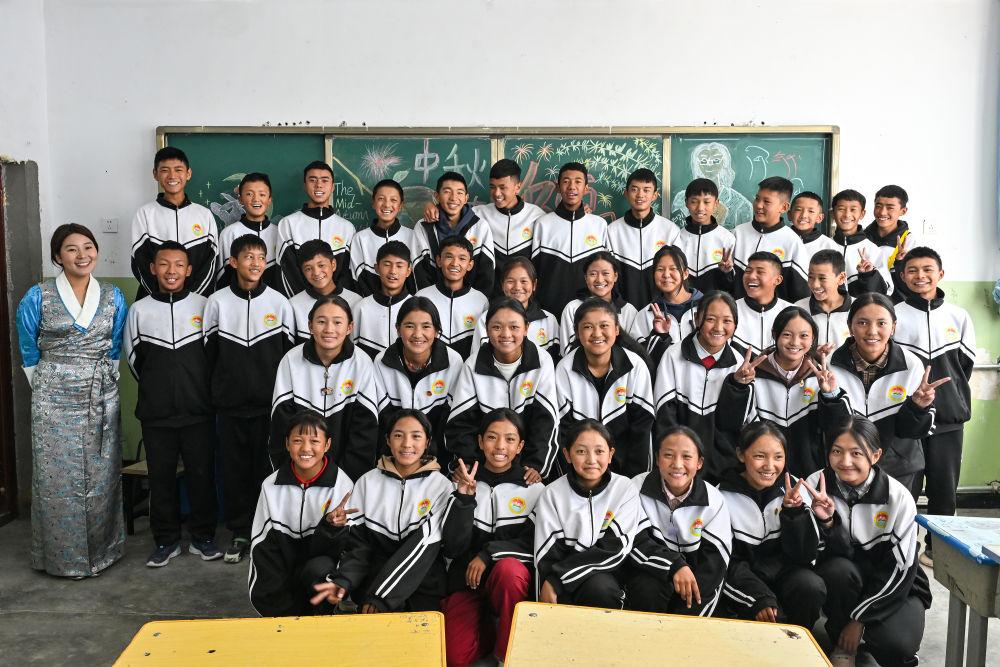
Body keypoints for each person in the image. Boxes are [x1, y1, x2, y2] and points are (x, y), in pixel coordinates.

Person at [16, 223, 128, 577]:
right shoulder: (37, 296)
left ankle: (103, 551)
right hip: (52, 396)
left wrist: (104, 382)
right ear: (57, 256)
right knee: (56, 478)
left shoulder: (112, 296)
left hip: (101, 391)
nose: (82, 255)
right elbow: (28, 348)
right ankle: (61, 558)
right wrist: (49, 387)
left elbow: (115, 346)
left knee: (101, 472)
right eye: (71, 249)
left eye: (88, 247)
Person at [805, 417, 931, 667]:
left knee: (896, 646)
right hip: (846, 578)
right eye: (837, 451)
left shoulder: (898, 497)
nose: (845, 461)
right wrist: (828, 522)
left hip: (895, 585)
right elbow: (810, 553)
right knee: (838, 570)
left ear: (875, 456)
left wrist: (859, 619)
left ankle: (863, 630)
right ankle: (842, 643)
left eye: (856, 453)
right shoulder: (815, 486)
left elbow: (901, 569)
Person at [124, 241, 218, 567]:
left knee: (201, 477)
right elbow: (134, 360)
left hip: (199, 411)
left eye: (179, 265)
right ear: (153, 269)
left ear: (189, 270)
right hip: (156, 414)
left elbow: (213, 357)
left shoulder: (205, 306)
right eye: (164, 264)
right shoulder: (139, 310)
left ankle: (203, 538)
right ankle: (166, 541)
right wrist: (159, 390)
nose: (171, 271)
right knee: (161, 480)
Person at [204, 234, 295, 563]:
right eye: (248, 257)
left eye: (260, 257)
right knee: (235, 472)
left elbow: (289, 356)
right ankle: (241, 532)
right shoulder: (216, 303)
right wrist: (219, 393)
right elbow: (209, 356)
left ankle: (271, 530)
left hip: (269, 408)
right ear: (233, 262)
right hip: (230, 407)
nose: (255, 263)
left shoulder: (279, 303)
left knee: (269, 470)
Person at [309, 410, 454, 613]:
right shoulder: (367, 482)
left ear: (427, 441)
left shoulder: (442, 487)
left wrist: (381, 598)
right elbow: (359, 548)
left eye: (416, 436)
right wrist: (344, 581)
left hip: (422, 586)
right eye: (398, 435)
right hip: (373, 584)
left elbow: (423, 550)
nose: (407, 444)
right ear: (387, 440)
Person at [441, 409, 543, 667]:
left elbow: (534, 544)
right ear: (479, 441)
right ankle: (489, 629)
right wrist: (464, 499)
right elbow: (452, 548)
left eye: (510, 439)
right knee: (455, 657)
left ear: (520, 446)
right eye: (492, 437)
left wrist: (488, 554)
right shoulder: (459, 483)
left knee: (509, 570)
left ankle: (504, 655)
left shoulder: (535, 489)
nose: (500, 446)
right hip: (467, 583)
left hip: (509, 586)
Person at [816, 293, 946, 496]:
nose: (872, 331)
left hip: (899, 468)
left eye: (881, 323)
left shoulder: (911, 365)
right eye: (862, 323)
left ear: (893, 327)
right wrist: (831, 396)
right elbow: (829, 426)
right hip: (845, 468)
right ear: (850, 326)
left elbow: (912, 432)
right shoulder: (831, 365)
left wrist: (918, 407)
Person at [895, 247, 976, 565]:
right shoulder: (894, 315)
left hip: (948, 420)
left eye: (927, 269)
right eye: (912, 270)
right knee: (905, 489)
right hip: (907, 419)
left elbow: (964, 367)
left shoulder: (959, 316)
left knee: (944, 489)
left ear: (940, 274)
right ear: (903, 276)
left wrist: (949, 398)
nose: (920, 276)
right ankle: (903, 548)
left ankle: (936, 551)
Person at [718, 423, 826, 629]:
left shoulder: (795, 488)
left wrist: (793, 512)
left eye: (778, 457)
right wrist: (758, 597)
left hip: (786, 576)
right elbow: (724, 563)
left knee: (810, 586)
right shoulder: (720, 496)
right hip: (744, 585)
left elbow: (805, 555)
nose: (769, 466)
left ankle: (799, 640)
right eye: (760, 456)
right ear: (741, 455)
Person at [247, 412, 354, 617]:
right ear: (287, 444)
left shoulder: (342, 486)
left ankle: (321, 616)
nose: (305, 448)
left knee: (320, 568)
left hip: (316, 569)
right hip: (282, 568)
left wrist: (331, 527)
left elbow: (344, 551)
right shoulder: (270, 486)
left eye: (314, 441)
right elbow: (263, 548)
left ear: (327, 445)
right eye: (297, 440)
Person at [446, 298, 559, 481]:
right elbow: (461, 423)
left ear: (526, 328)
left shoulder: (542, 361)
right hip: (483, 466)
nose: (506, 334)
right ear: (486, 329)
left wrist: (536, 465)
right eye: (497, 327)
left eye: (514, 327)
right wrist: (468, 463)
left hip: (526, 468)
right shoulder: (473, 365)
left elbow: (545, 420)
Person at [271, 295, 380, 484]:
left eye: (337, 322)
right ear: (310, 326)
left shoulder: (362, 363)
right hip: (299, 474)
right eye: (321, 322)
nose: (329, 329)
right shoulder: (290, 360)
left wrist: (344, 482)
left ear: (349, 328)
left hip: (348, 479)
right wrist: (299, 476)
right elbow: (282, 425)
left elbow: (364, 431)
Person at [533, 419, 640, 609]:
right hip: (560, 580)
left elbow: (615, 548)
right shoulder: (552, 493)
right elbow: (547, 553)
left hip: (606, 574)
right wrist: (554, 581)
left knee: (600, 589)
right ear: (567, 454)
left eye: (599, 451)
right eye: (581, 451)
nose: (591, 460)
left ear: (610, 455)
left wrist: (558, 578)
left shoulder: (624, 488)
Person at [626, 426, 732, 616]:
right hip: (652, 572)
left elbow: (715, 561)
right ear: (657, 459)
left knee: (694, 603)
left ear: (699, 463)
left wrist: (691, 595)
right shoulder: (635, 488)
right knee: (646, 588)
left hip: (697, 579)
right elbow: (635, 542)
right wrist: (674, 565)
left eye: (687, 457)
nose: (677, 464)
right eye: (668, 455)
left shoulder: (714, 501)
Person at [717, 306, 827, 477]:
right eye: (787, 334)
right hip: (761, 475)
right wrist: (738, 386)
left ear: (813, 339)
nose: (795, 342)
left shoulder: (821, 377)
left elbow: (836, 429)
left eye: (804, 336)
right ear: (775, 334)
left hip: (809, 476)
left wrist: (830, 395)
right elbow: (728, 424)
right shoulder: (752, 374)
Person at [556, 299, 655, 478]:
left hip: (627, 470)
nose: (597, 333)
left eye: (604, 326)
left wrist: (634, 480)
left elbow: (642, 428)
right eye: (588, 327)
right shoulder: (564, 368)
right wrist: (573, 478)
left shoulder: (635, 365)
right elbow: (563, 431)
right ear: (577, 332)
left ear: (616, 329)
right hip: (580, 469)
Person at [652, 291, 742, 481]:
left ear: (735, 324)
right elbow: (665, 415)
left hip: (723, 471)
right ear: (697, 319)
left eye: (727, 321)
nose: (718, 327)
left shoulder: (740, 364)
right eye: (710, 319)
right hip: (678, 467)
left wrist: (739, 386)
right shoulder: (673, 355)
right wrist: (680, 458)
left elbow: (736, 427)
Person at [423, 160, 544, 294]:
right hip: (489, 296)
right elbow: (453, 208)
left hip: (522, 294)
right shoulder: (478, 214)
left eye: (503, 187)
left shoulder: (537, 216)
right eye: (492, 187)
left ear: (518, 187)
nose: (497, 193)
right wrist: (431, 205)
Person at [373, 297, 464, 464]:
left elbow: (451, 419)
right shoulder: (382, 362)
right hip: (395, 454)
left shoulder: (453, 362)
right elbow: (385, 419)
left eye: (426, 326)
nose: (417, 334)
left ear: (436, 331)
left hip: (439, 458)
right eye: (409, 326)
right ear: (398, 329)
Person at [130, 146, 218, 299]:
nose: (172, 176)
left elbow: (210, 264)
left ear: (188, 173)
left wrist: (190, 300)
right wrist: (161, 298)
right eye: (165, 170)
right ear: (155, 174)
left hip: (195, 305)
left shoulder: (204, 215)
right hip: (154, 302)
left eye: (178, 170)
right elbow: (140, 263)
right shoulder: (145, 214)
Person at [531, 162, 610, 316]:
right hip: (549, 310)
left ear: (586, 188)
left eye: (578, 182)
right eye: (566, 181)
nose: (572, 187)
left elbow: (608, 272)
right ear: (558, 187)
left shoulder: (599, 225)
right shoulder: (543, 224)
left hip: (590, 311)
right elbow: (534, 271)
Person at [277, 160, 355, 296]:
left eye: (325, 180)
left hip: (337, 305)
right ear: (305, 185)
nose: (319, 185)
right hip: (300, 304)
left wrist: (336, 302)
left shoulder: (346, 228)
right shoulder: (288, 224)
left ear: (332, 187)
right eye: (312, 180)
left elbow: (347, 273)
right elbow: (287, 271)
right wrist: (303, 301)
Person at [606, 168, 680, 308]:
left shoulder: (670, 230)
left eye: (646, 190)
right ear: (626, 193)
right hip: (622, 310)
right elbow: (608, 274)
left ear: (655, 195)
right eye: (634, 189)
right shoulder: (612, 231)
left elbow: (676, 276)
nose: (640, 195)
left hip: (661, 310)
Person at [413, 171, 495, 294]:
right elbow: (419, 270)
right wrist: (428, 300)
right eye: (447, 191)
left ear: (466, 198)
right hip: (431, 300)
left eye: (459, 192)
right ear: (436, 196)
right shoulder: (423, 226)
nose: (453, 198)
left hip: (472, 301)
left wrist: (477, 300)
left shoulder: (480, 226)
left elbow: (486, 271)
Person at [731, 176, 809, 302]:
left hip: (776, 313)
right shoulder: (738, 233)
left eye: (766, 202)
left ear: (784, 207)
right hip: (738, 311)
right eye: (757, 199)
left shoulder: (792, 242)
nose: (758, 205)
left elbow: (801, 294)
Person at [472, 256, 560, 360]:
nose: (517, 287)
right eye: (510, 281)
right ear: (502, 284)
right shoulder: (486, 318)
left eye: (524, 281)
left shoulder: (549, 320)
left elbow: (555, 360)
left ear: (534, 285)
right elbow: (478, 361)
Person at [414, 236, 489, 358]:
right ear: (439, 261)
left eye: (462, 258)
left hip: (467, 366)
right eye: (449, 257)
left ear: (470, 265)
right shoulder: (422, 296)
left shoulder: (481, 300)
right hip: (431, 366)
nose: (455, 263)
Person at [630, 245, 701, 368]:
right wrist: (660, 337)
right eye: (660, 269)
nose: (666, 275)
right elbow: (639, 362)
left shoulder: (705, 307)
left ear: (685, 273)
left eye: (673, 268)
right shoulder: (646, 314)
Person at [559, 252, 638, 354]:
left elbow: (634, 349)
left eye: (605, 273)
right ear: (586, 278)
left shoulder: (629, 311)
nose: (599, 280)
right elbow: (567, 351)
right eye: (593, 274)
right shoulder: (572, 308)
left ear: (615, 276)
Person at [350, 179, 418, 297]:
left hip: (407, 305)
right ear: (373, 203)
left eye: (393, 200)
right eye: (381, 199)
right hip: (371, 304)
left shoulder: (412, 236)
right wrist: (375, 303)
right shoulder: (360, 239)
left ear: (400, 205)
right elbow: (358, 280)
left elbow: (417, 278)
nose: (387, 205)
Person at [216, 172, 282, 291]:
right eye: (249, 194)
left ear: (269, 200)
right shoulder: (228, 234)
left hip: (272, 302)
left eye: (262, 194)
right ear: (240, 199)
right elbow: (222, 278)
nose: (256, 199)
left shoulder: (280, 234)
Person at [289, 239, 362, 345]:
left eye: (321, 265)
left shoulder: (356, 301)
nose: (316, 273)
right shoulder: (293, 305)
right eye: (308, 268)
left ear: (333, 264)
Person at [673, 178, 737, 295]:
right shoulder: (677, 237)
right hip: (684, 303)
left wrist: (726, 272)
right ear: (686, 203)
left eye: (707, 202)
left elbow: (731, 286)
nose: (700, 208)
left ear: (716, 203)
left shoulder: (727, 238)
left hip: (715, 303)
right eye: (694, 202)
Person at [352, 241, 414, 359]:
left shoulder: (416, 308)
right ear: (376, 268)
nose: (393, 271)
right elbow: (353, 353)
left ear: (408, 271)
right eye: (387, 264)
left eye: (399, 266)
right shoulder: (361, 308)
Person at [829, 189, 893, 296]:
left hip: (861, 306)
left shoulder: (872, 250)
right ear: (832, 213)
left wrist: (869, 274)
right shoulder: (825, 245)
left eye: (853, 210)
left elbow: (886, 290)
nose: (847, 215)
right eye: (841, 209)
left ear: (862, 214)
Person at [863, 184, 920, 302]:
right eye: (878, 206)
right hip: (865, 303)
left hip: (898, 306)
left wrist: (900, 262)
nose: (882, 212)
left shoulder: (910, 242)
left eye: (890, 208)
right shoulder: (862, 239)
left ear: (903, 211)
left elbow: (914, 284)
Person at [731, 252, 792, 355]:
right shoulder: (730, 309)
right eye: (748, 271)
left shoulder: (792, 312)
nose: (752, 276)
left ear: (778, 280)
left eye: (760, 272)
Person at [795, 249, 853, 351]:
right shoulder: (798, 309)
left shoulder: (858, 309)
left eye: (822, 278)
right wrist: (813, 354)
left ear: (841, 278)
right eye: (811, 277)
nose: (815, 285)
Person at [788, 191, 836, 260]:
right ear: (789, 215)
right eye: (798, 209)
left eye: (811, 211)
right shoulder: (780, 239)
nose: (803, 215)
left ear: (819, 218)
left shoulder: (828, 245)